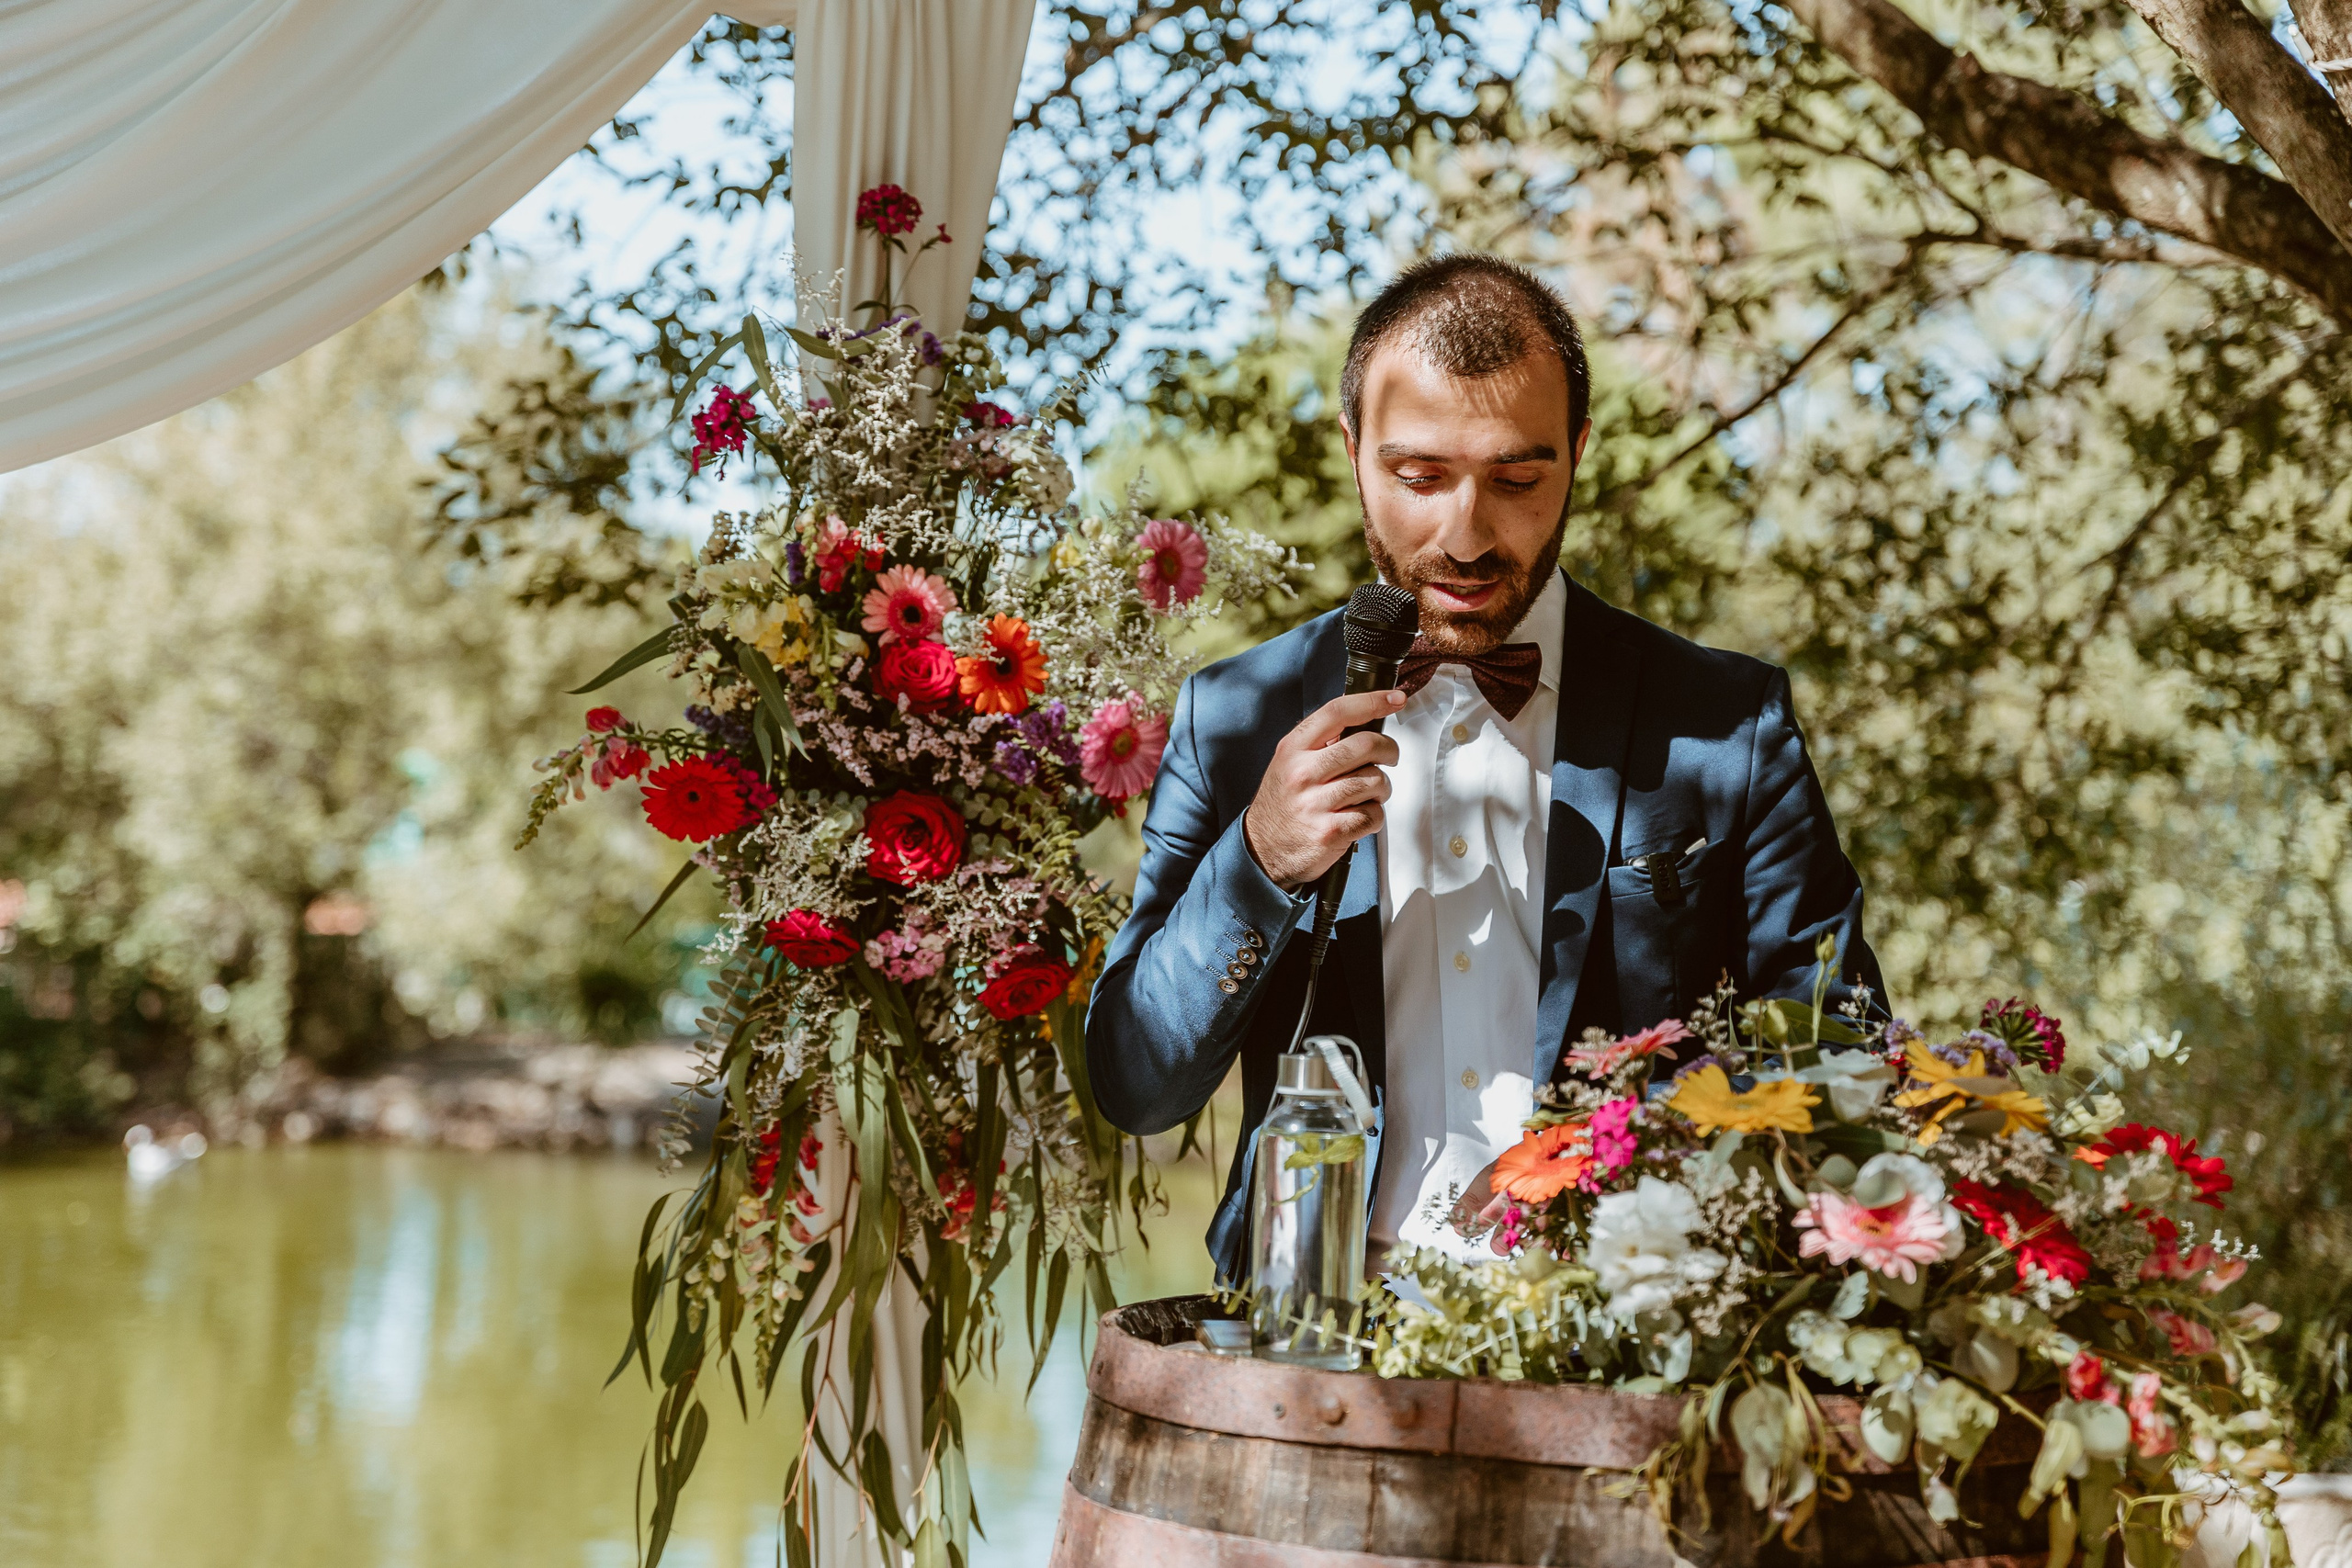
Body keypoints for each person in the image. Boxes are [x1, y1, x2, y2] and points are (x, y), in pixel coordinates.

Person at [1084, 254, 1883, 1283]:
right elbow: (1135, 1085)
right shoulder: (1233, 717)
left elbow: (1841, 1057)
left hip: (1621, 1329)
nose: (1464, 537)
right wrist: (1261, 860)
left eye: (1515, 480)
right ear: (1354, 452)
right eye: (1419, 478)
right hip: (1313, 1333)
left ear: (1579, 455)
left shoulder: (1727, 725)